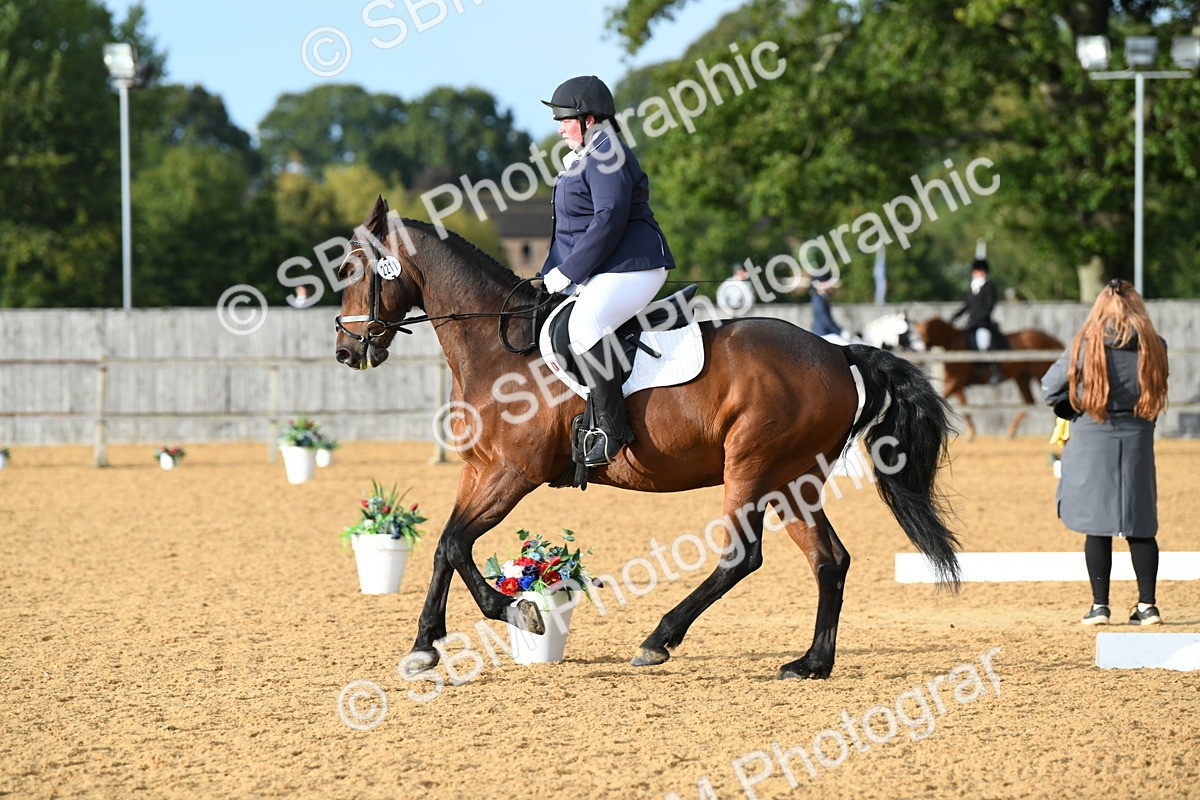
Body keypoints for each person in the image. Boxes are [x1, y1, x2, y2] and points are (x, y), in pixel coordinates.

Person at [538, 75, 676, 467]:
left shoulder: (606, 150)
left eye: (566, 119)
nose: (560, 127)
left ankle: (613, 428)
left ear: (590, 118)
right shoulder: (588, 152)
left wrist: (569, 271)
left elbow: (609, 217)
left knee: (585, 327)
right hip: (606, 268)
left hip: (633, 265)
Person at [1041, 279, 1169, 626]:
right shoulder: (1155, 345)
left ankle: (1100, 605)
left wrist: (1070, 405)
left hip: (1092, 434)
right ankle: (1148, 606)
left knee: (1096, 526)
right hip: (1138, 436)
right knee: (1140, 523)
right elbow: (1158, 387)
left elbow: (1050, 387)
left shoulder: (1085, 344)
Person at [950, 258, 1003, 384]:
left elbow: (988, 307)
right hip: (971, 324)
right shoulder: (973, 287)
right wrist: (955, 316)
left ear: (983, 271)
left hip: (983, 324)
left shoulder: (989, 287)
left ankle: (995, 370)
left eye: (976, 271)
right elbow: (967, 305)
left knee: (983, 343)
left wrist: (977, 320)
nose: (973, 273)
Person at [809, 272, 848, 342]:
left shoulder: (822, 298)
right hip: (823, 334)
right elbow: (825, 321)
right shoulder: (818, 299)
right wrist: (840, 332)